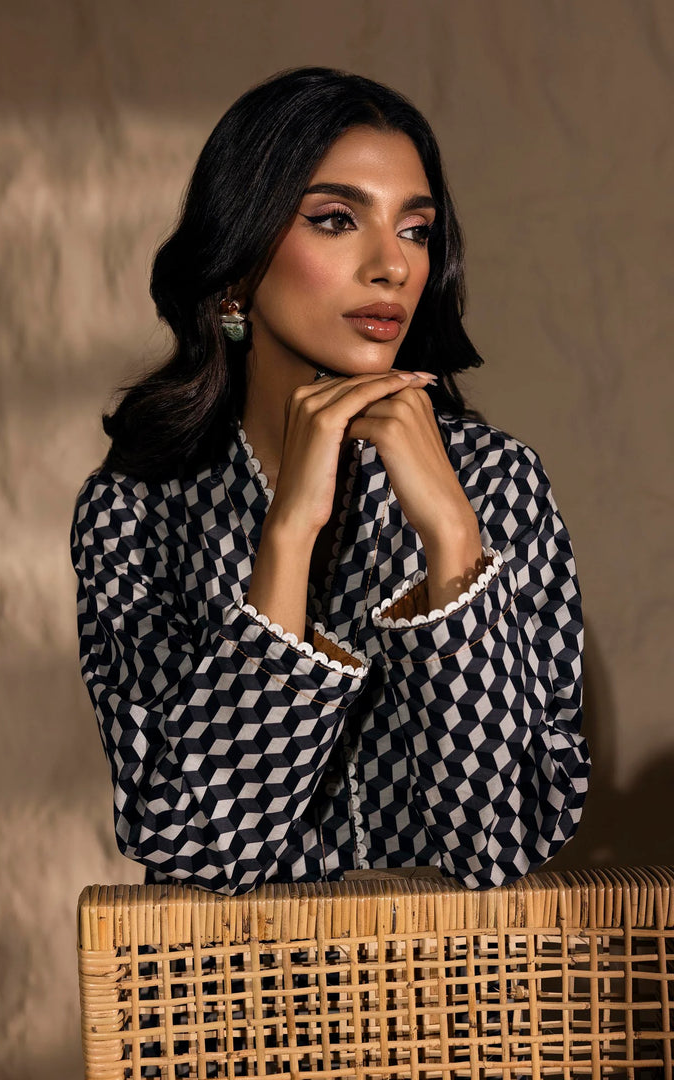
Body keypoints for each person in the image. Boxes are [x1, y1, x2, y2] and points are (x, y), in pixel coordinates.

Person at [70, 66, 591, 897]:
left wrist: (453, 540)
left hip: (459, 1014)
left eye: (417, 231)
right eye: (338, 220)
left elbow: (504, 842)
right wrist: (285, 540)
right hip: (230, 1015)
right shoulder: (134, 513)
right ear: (239, 267)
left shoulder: (499, 483)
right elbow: (199, 854)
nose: (393, 266)